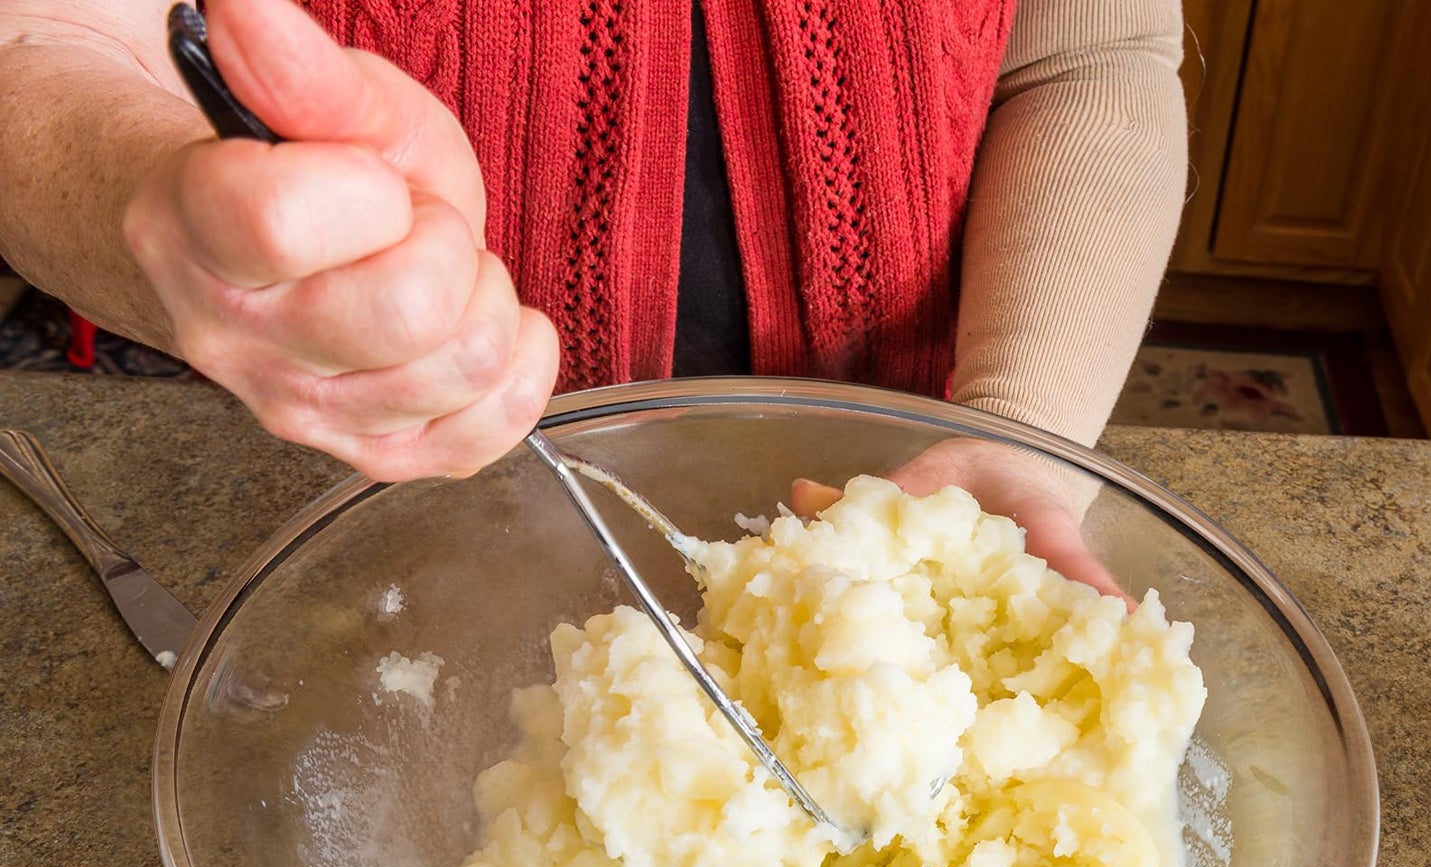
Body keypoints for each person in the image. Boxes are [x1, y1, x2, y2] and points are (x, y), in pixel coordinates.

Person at [0, 0, 1185, 589]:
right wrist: (155, 193)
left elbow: (1086, 57)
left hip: (896, 491)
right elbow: (40, 41)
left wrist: (1009, 433)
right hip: (323, 487)